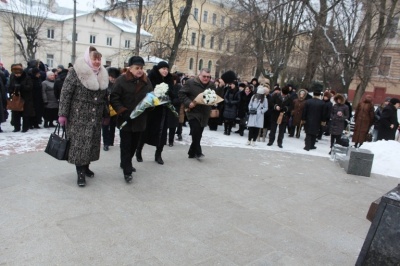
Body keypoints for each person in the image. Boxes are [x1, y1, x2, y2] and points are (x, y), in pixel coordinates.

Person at [58, 46, 109, 187]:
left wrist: (106, 114)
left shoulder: (102, 74)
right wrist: (63, 114)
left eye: (99, 59)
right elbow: (66, 93)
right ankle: (80, 172)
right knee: (79, 145)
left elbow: (105, 97)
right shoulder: (76, 72)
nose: (98, 61)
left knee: (91, 143)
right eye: (95, 58)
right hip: (78, 116)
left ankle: (86, 167)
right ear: (88, 58)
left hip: (95, 116)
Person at [110, 56, 152, 182]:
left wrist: (150, 106)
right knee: (126, 145)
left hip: (140, 119)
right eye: (137, 68)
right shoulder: (121, 80)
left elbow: (150, 97)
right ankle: (127, 170)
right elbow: (114, 97)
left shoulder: (146, 81)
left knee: (134, 144)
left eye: (141, 68)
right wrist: (122, 110)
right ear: (130, 68)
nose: (140, 70)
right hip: (125, 119)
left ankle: (125, 162)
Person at [135, 61, 174, 165]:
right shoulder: (151, 78)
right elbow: (146, 92)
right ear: (158, 69)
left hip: (164, 111)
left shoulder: (170, 79)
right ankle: (138, 150)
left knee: (162, 134)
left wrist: (168, 97)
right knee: (146, 131)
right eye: (163, 69)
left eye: (167, 69)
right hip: (151, 111)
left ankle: (158, 155)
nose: (165, 71)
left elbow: (173, 94)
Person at [178, 68, 216, 159]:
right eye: (204, 76)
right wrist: (188, 103)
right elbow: (181, 94)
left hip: (205, 112)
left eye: (208, 77)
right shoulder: (190, 82)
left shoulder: (211, 85)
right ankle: (198, 152)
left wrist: (213, 101)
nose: (206, 78)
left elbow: (213, 96)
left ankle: (191, 152)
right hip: (193, 112)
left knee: (199, 133)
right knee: (195, 130)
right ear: (199, 75)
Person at [8, 63, 35, 132]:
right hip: (15, 98)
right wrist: (13, 89)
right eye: (16, 74)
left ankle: (25, 128)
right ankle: (16, 127)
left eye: (18, 74)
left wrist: (22, 86)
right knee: (15, 113)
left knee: (25, 114)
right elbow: (9, 86)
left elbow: (30, 87)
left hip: (25, 98)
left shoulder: (27, 77)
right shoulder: (13, 77)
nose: (17, 75)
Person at [102, 67, 120, 151]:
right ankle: (106, 143)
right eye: (112, 77)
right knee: (105, 127)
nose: (113, 79)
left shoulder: (118, 85)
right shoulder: (104, 84)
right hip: (105, 109)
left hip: (114, 109)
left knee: (112, 127)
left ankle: (111, 142)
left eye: (115, 77)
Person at [167, 73, 182, 147]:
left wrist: (172, 101)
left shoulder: (179, 87)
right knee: (165, 125)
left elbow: (180, 99)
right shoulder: (167, 86)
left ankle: (171, 141)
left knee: (172, 127)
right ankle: (162, 140)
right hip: (167, 108)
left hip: (175, 109)